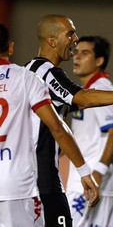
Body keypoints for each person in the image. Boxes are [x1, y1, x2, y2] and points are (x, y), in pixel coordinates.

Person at [24, 14, 113, 227]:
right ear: (52, 41)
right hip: (42, 175)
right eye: (70, 34)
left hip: (27, 174)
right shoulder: (45, 72)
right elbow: (82, 100)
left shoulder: (28, 70)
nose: (75, 40)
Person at [0, 24, 99, 226]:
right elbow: (57, 127)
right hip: (18, 188)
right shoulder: (27, 78)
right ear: (11, 47)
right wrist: (84, 171)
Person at [66, 35, 113, 227]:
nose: (77, 57)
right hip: (87, 180)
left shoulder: (102, 89)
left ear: (99, 61)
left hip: (93, 181)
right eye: (76, 52)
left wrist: (98, 173)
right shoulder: (86, 92)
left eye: (85, 53)